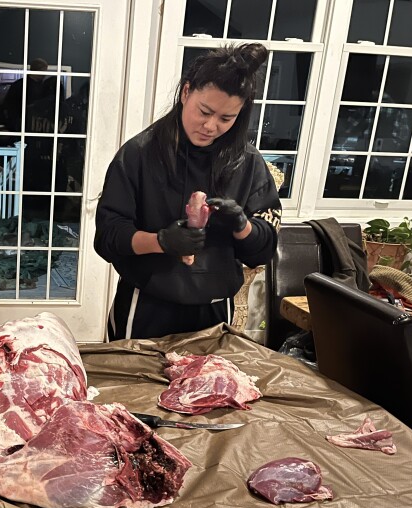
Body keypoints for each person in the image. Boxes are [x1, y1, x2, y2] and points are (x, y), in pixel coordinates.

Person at [94, 43, 281, 340]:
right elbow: (108, 238)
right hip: (146, 306)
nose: (210, 126)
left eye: (226, 119)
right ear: (185, 92)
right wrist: (162, 241)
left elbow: (264, 250)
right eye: (204, 111)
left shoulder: (248, 163)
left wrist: (242, 226)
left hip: (215, 311)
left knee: (212, 386)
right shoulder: (138, 155)